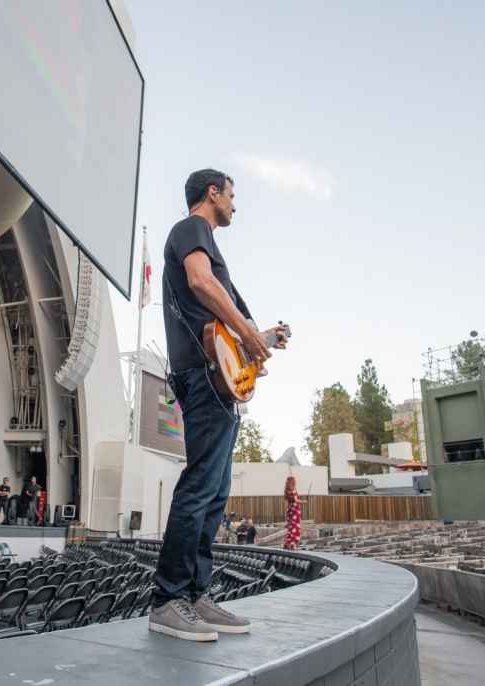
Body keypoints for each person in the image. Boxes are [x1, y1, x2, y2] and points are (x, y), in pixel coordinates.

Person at [149, 169, 287, 642]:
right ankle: (168, 599)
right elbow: (201, 282)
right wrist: (249, 332)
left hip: (217, 380)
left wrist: (261, 337)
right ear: (213, 193)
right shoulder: (192, 228)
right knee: (199, 485)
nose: (235, 204)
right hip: (203, 377)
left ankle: (194, 595)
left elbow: (220, 321)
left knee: (215, 490)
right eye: (232, 195)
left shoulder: (205, 237)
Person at [284, 476, 306, 550]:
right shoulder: (293, 490)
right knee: (295, 527)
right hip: (294, 510)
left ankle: (287, 543)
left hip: (290, 509)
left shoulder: (288, 491)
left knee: (291, 527)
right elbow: (296, 500)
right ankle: (293, 545)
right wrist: (304, 501)